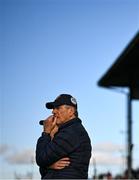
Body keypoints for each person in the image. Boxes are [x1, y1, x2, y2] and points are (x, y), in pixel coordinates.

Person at [36, 94, 92, 179]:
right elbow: (43, 168)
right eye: (53, 108)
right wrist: (48, 166)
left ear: (71, 111)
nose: (53, 111)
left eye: (58, 108)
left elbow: (41, 159)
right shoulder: (69, 131)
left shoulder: (72, 132)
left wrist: (46, 132)